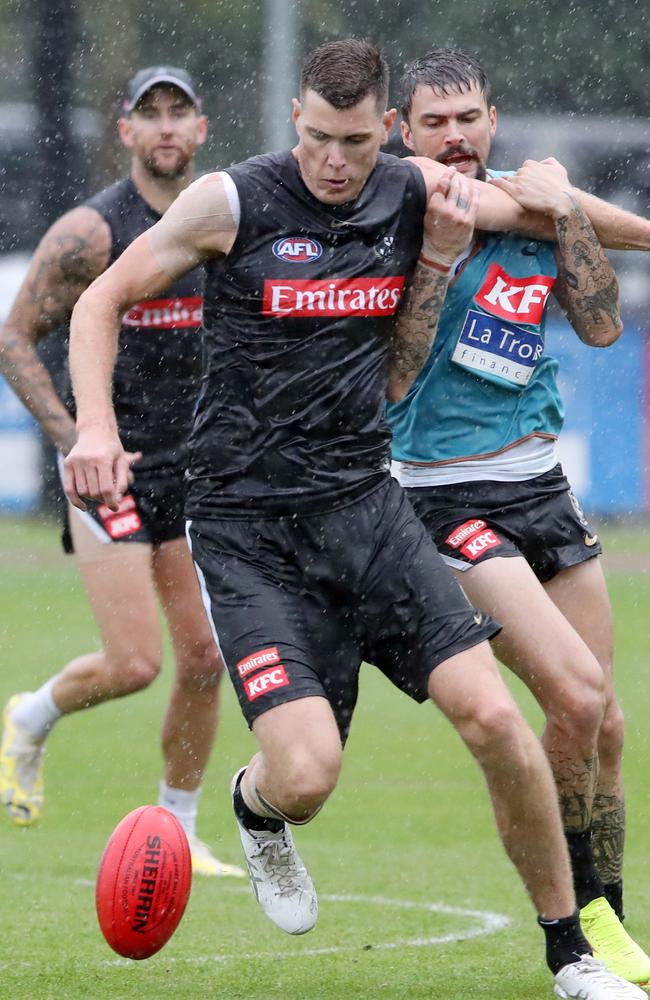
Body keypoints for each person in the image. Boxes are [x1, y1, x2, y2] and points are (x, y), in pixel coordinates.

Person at [61, 39, 647, 1000]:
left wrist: (610, 218)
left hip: (367, 507)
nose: (338, 163)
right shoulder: (233, 201)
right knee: (309, 775)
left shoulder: (411, 188)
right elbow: (101, 299)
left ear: (384, 130)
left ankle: (571, 954)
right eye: (321, 139)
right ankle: (257, 811)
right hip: (247, 528)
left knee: (499, 717)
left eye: (355, 143)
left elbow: (543, 210)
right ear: (297, 119)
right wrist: (94, 426)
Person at [387, 46, 650, 984]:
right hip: (440, 495)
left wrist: (568, 208)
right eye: (434, 123)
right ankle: (570, 938)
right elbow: (393, 374)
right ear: (401, 133)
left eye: (468, 120)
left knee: (605, 724)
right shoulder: (399, 207)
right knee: (573, 699)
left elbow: (603, 326)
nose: (453, 139)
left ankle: (607, 929)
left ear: (492, 120)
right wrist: (460, 247)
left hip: (541, 487)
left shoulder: (536, 210)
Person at [0, 66, 245, 879]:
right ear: (127, 133)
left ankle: (177, 830)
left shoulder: (225, 219)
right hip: (109, 469)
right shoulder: (91, 233)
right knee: (137, 664)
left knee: (207, 658)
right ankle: (30, 716)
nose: (168, 127)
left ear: (203, 129)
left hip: (193, 469)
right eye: (152, 115)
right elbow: (13, 338)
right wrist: (78, 441)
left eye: (181, 112)